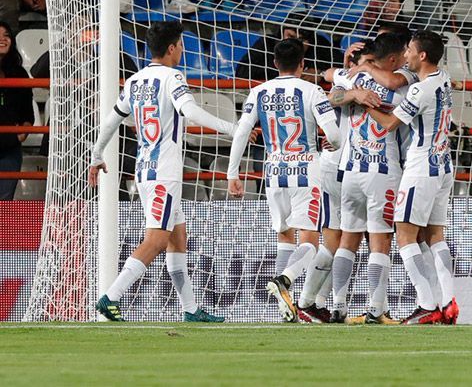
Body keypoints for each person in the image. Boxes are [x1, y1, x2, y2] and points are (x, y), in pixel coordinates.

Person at [89, 21, 246, 322]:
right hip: (163, 172)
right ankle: (112, 297)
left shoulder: (134, 81)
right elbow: (190, 111)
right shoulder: (173, 77)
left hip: (144, 168)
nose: (183, 52)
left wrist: (97, 155)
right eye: (182, 46)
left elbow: (111, 120)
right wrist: (231, 127)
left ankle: (189, 309)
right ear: (172, 48)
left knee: (177, 238)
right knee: (158, 239)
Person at [227, 38, 343, 323]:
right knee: (310, 241)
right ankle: (286, 279)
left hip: (274, 171)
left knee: (284, 235)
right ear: (303, 65)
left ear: (275, 64)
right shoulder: (313, 90)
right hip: (306, 168)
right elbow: (335, 135)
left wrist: (232, 173)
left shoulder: (258, 92)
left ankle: (284, 308)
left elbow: (242, 132)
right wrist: (331, 141)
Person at [364, 30, 458, 325]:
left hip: (421, 168)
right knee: (434, 237)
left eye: (409, 51)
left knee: (404, 235)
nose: (404, 56)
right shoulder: (442, 80)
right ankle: (449, 302)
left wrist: (365, 105)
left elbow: (390, 124)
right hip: (443, 165)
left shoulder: (420, 90)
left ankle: (427, 304)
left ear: (422, 56)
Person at [326, 33, 416, 325]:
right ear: (392, 60)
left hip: (351, 172)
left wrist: (352, 93)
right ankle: (376, 309)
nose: (405, 59)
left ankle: (338, 305)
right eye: (403, 54)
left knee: (348, 238)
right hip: (383, 171)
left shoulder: (352, 79)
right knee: (380, 241)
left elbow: (329, 98)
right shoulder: (402, 87)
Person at [294, 41, 377, 324]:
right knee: (335, 241)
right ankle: (306, 302)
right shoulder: (345, 88)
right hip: (335, 170)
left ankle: (317, 303)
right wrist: (352, 89)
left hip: (349, 169)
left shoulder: (357, 82)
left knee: (343, 241)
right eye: (364, 63)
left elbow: (331, 77)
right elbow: (329, 96)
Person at [235, 21, 340, 84]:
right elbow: (242, 72)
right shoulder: (267, 44)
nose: (294, 43)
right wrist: (286, 72)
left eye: (301, 40)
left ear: (311, 41)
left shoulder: (320, 44)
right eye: (290, 37)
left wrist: (320, 74)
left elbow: (342, 69)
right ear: (281, 34)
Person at [0, 20, 33, 200]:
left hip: (9, 148)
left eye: (6, 35)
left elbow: (28, 113)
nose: (3, 39)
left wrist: (21, 134)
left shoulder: (19, 73)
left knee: (4, 202)